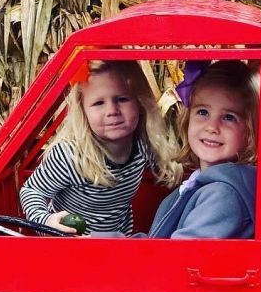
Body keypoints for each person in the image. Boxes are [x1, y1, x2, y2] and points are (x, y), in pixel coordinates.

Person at [18, 61, 179, 234]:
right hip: (70, 244)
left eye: (122, 99)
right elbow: (31, 190)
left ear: (140, 104)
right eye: (98, 103)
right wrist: (45, 219)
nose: (112, 110)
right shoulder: (71, 156)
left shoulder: (143, 144)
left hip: (116, 241)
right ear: (83, 111)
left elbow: (169, 165)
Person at [145, 60, 258, 240]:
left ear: (250, 131)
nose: (212, 127)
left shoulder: (222, 196)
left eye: (229, 117)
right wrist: (103, 241)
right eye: (203, 112)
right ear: (188, 118)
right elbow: (158, 244)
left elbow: (180, 257)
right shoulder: (198, 184)